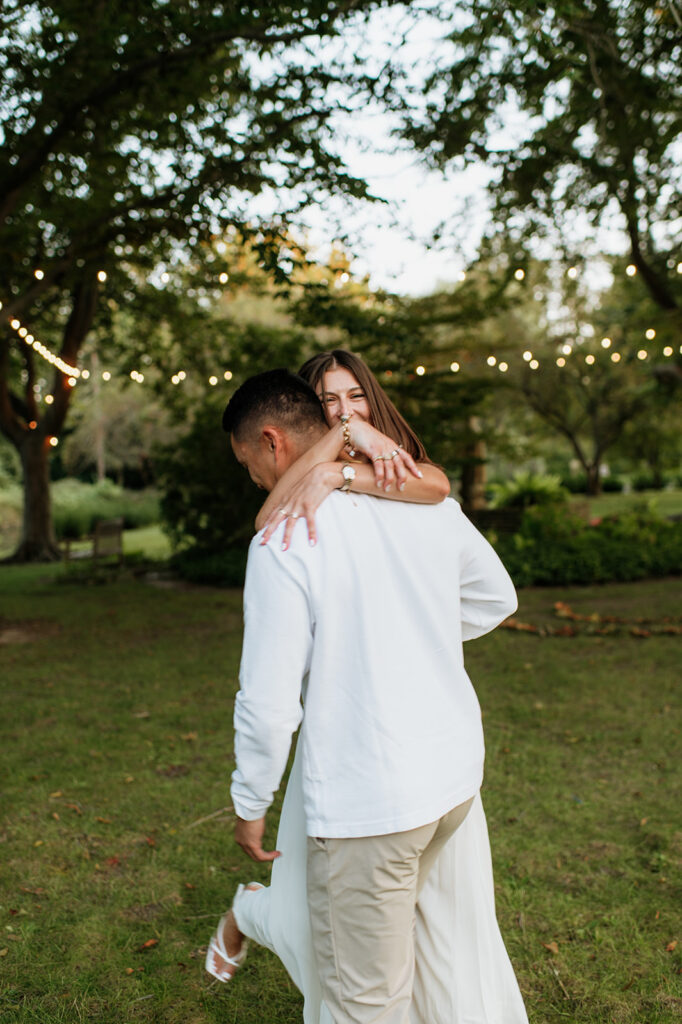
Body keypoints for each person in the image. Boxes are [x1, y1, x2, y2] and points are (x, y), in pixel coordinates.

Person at [207, 364, 529, 1023]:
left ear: (272, 442)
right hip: (453, 786)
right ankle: (251, 917)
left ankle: (250, 916)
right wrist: (419, 641)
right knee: (429, 964)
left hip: (373, 806)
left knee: (362, 1005)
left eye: (247, 465)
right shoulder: (428, 504)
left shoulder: (284, 540)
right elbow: (497, 597)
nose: (255, 481)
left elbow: (268, 704)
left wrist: (249, 804)